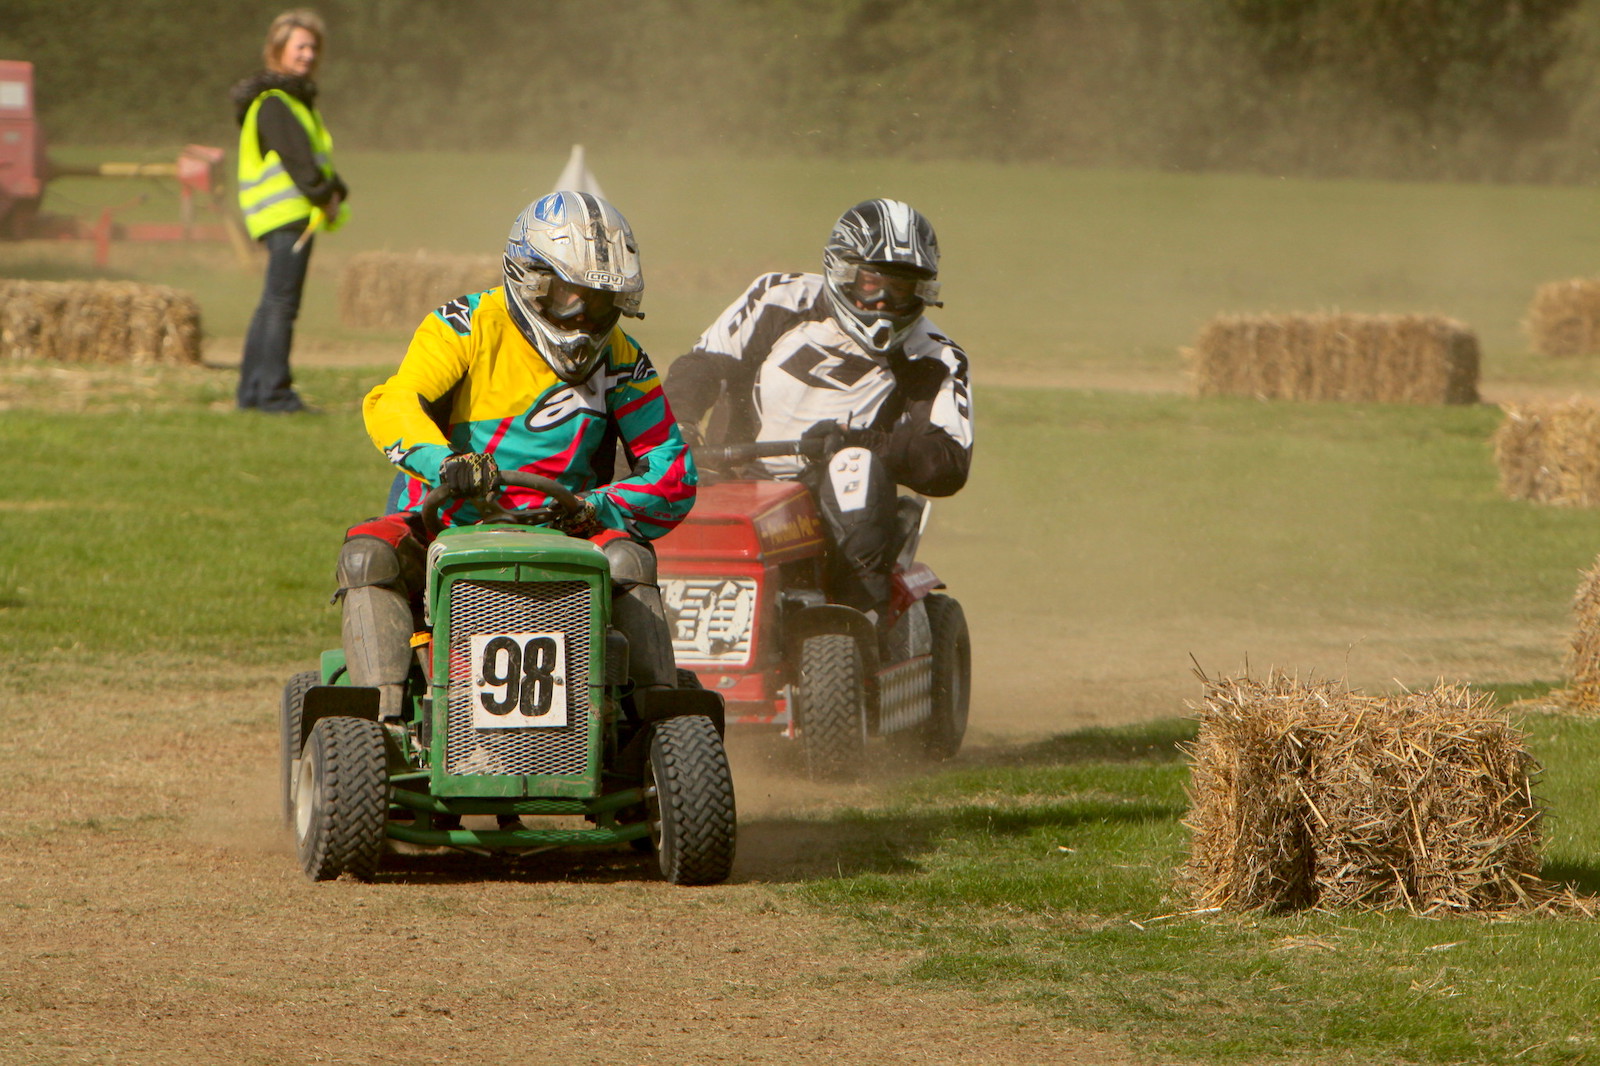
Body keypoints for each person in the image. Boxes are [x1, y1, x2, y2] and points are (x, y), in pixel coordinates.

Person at [337, 191, 696, 736]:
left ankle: (650, 729)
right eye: (573, 297)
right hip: (444, 525)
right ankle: (381, 729)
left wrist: (598, 507)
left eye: (602, 302)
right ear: (530, 279)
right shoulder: (463, 326)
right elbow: (394, 403)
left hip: (568, 534)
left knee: (631, 563)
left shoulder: (623, 358)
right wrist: (447, 464)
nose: (587, 318)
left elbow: (673, 473)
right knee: (367, 556)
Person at [666, 198, 972, 621]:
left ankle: (856, 620)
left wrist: (857, 443)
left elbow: (948, 463)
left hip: (832, 506)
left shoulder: (935, 356)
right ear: (842, 271)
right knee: (632, 447)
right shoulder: (779, 297)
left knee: (855, 466)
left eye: (900, 289)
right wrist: (682, 425)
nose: (884, 302)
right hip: (732, 476)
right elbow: (702, 365)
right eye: (872, 284)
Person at [230, 9, 349, 413]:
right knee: (282, 304)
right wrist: (325, 194)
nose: (309, 54)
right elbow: (301, 162)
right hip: (288, 216)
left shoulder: (290, 101)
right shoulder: (277, 103)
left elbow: (313, 160)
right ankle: (275, 395)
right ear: (278, 51)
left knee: (271, 303)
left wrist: (333, 189)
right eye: (300, 46)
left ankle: (252, 392)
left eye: (314, 47)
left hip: (283, 217)